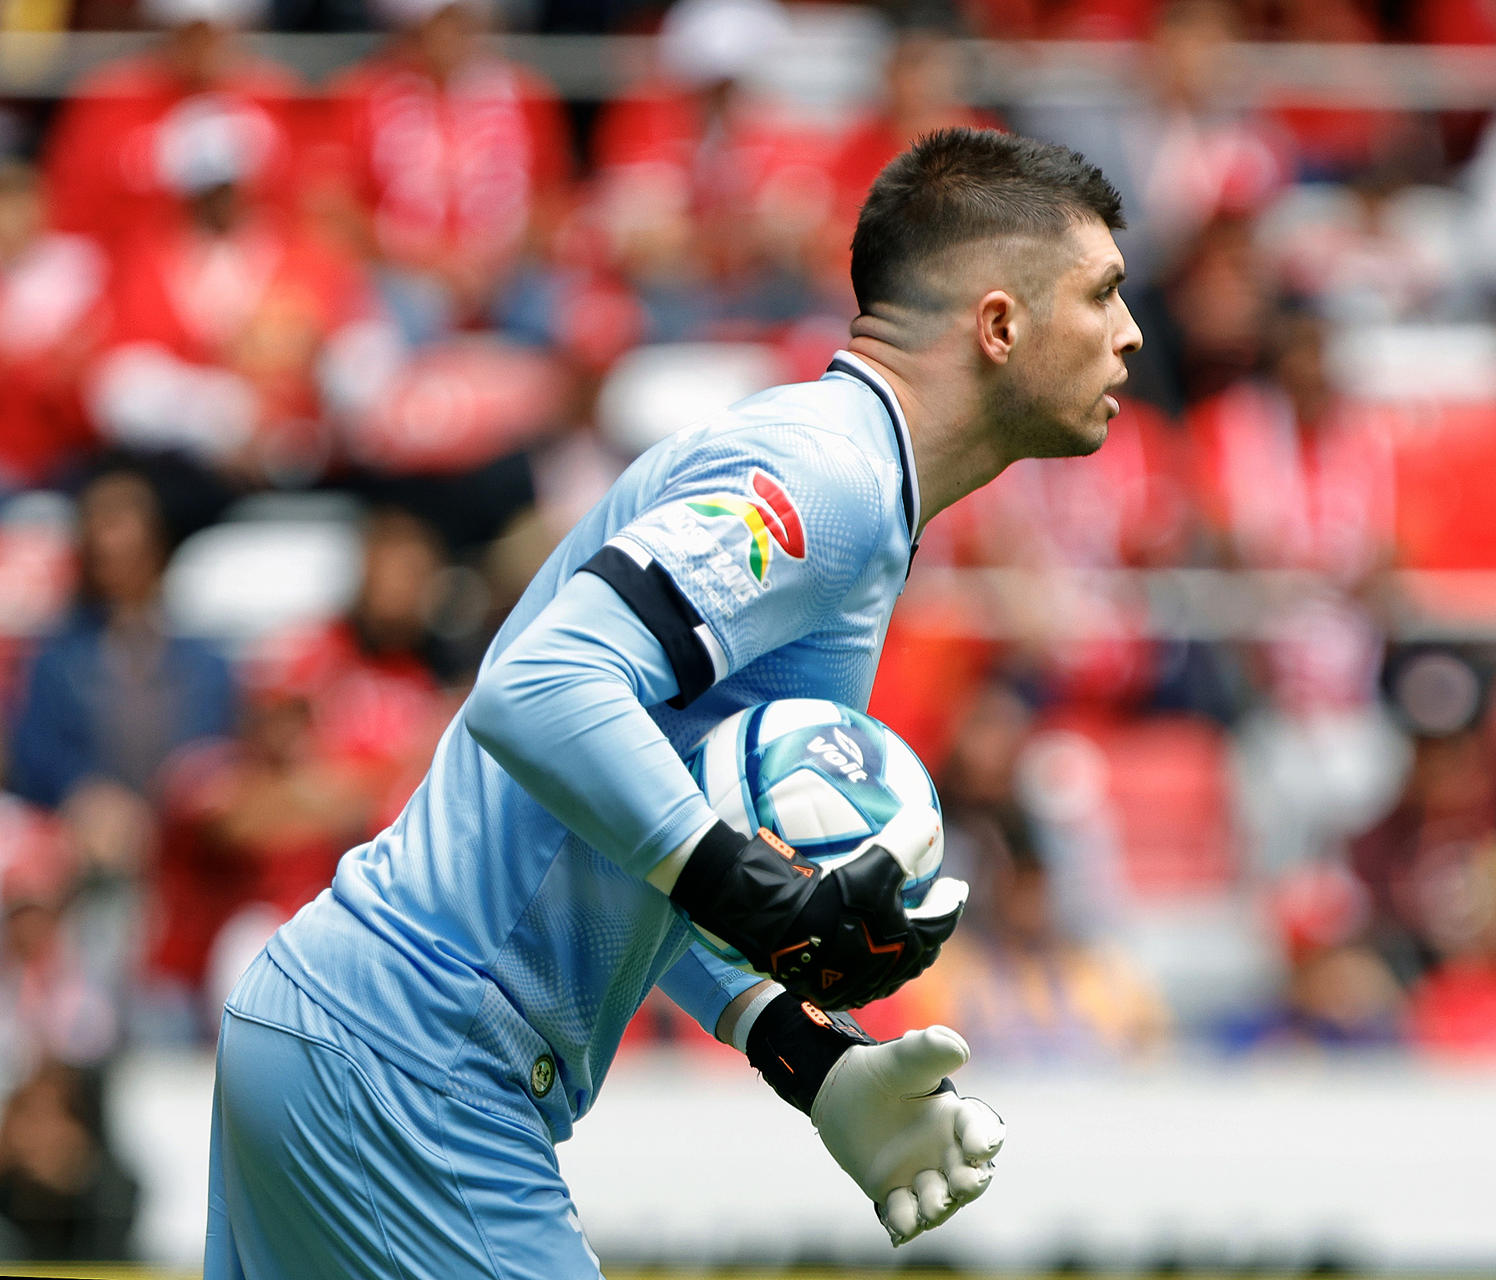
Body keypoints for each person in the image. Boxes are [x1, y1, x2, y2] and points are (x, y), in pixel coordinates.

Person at [207, 127, 1141, 1277]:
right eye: (1103, 293)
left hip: (345, 1033)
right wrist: (753, 892)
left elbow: (635, 815)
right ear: (999, 325)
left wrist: (802, 1047)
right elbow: (541, 686)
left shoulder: (838, 471)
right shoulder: (830, 484)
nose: (1131, 330)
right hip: (421, 1064)